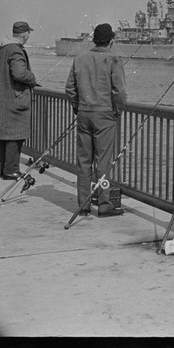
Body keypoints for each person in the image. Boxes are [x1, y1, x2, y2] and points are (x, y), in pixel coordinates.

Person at [65, 23, 128, 217]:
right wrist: (116, 112)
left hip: (84, 114)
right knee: (103, 163)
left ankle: (83, 204)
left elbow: (69, 89)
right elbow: (120, 92)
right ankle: (104, 203)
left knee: (84, 161)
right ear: (111, 40)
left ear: (94, 39)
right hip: (105, 116)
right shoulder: (114, 60)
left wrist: (78, 108)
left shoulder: (80, 59)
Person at [0, 21, 37, 180]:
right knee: (15, 136)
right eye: (28, 33)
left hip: (4, 98)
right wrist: (32, 78)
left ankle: (3, 169)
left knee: (6, 136)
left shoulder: (4, 48)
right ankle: (11, 171)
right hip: (15, 100)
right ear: (25, 34)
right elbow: (19, 73)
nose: (28, 36)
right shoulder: (16, 50)